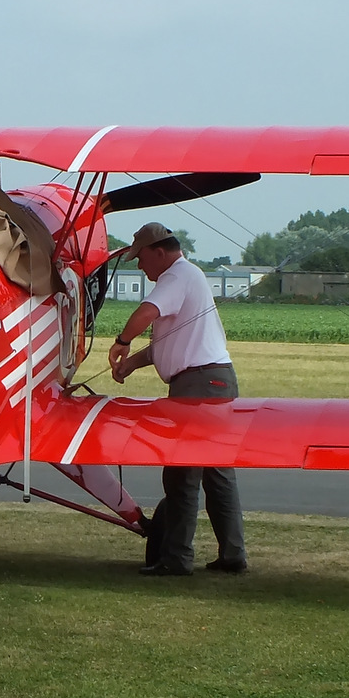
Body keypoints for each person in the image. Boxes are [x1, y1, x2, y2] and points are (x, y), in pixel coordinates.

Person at [107, 221, 247, 577]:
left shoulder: (176, 276)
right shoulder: (188, 279)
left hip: (197, 384)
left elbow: (146, 313)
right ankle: (232, 554)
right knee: (217, 472)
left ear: (159, 252)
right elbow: (163, 348)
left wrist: (121, 341)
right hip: (214, 380)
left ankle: (177, 557)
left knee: (182, 473)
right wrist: (131, 366)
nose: (141, 266)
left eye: (142, 258)